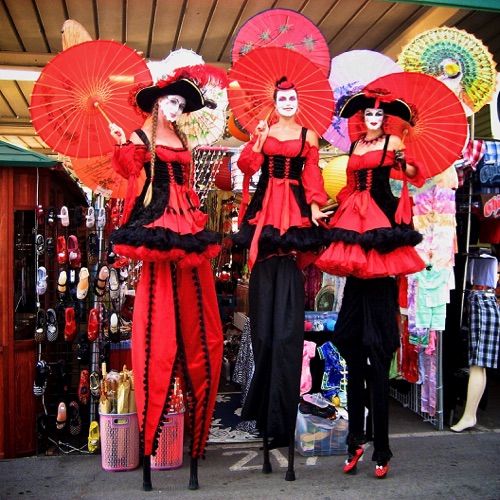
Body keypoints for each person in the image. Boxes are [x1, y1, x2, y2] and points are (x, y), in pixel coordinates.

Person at [109, 65, 225, 491]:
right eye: (171, 101)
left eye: (181, 104)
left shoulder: (185, 140)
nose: (175, 109)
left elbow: (189, 187)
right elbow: (127, 171)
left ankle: (195, 445)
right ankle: (148, 444)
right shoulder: (144, 138)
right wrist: (124, 146)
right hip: (161, 230)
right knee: (155, 333)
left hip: (189, 230)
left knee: (202, 333)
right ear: (157, 102)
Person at [315, 89, 427, 478]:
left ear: (387, 117)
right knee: (349, 340)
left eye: (380, 112)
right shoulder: (358, 142)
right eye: (370, 113)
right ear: (363, 117)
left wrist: (403, 161)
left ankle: (382, 447)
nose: (374, 117)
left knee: (377, 353)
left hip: (380, 231)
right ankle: (356, 439)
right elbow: (349, 185)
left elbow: (412, 176)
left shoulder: (394, 142)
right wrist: (332, 207)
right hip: (353, 224)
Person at [231, 77, 331, 480]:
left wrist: (317, 208)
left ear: (297, 100)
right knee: (265, 337)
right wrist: (255, 140)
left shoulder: (308, 135)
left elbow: (312, 177)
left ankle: (280, 423)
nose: (288, 102)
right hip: (265, 210)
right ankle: (262, 413)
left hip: (292, 214)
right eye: (282, 98)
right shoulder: (265, 131)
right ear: (275, 102)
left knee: (288, 336)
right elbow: (246, 168)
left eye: (292, 98)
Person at [451, 254, 499, 432]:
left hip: (483, 300)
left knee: (478, 364)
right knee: (478, 364)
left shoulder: (487, 254)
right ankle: (470, 415)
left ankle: (470, 415)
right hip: (480, 298)